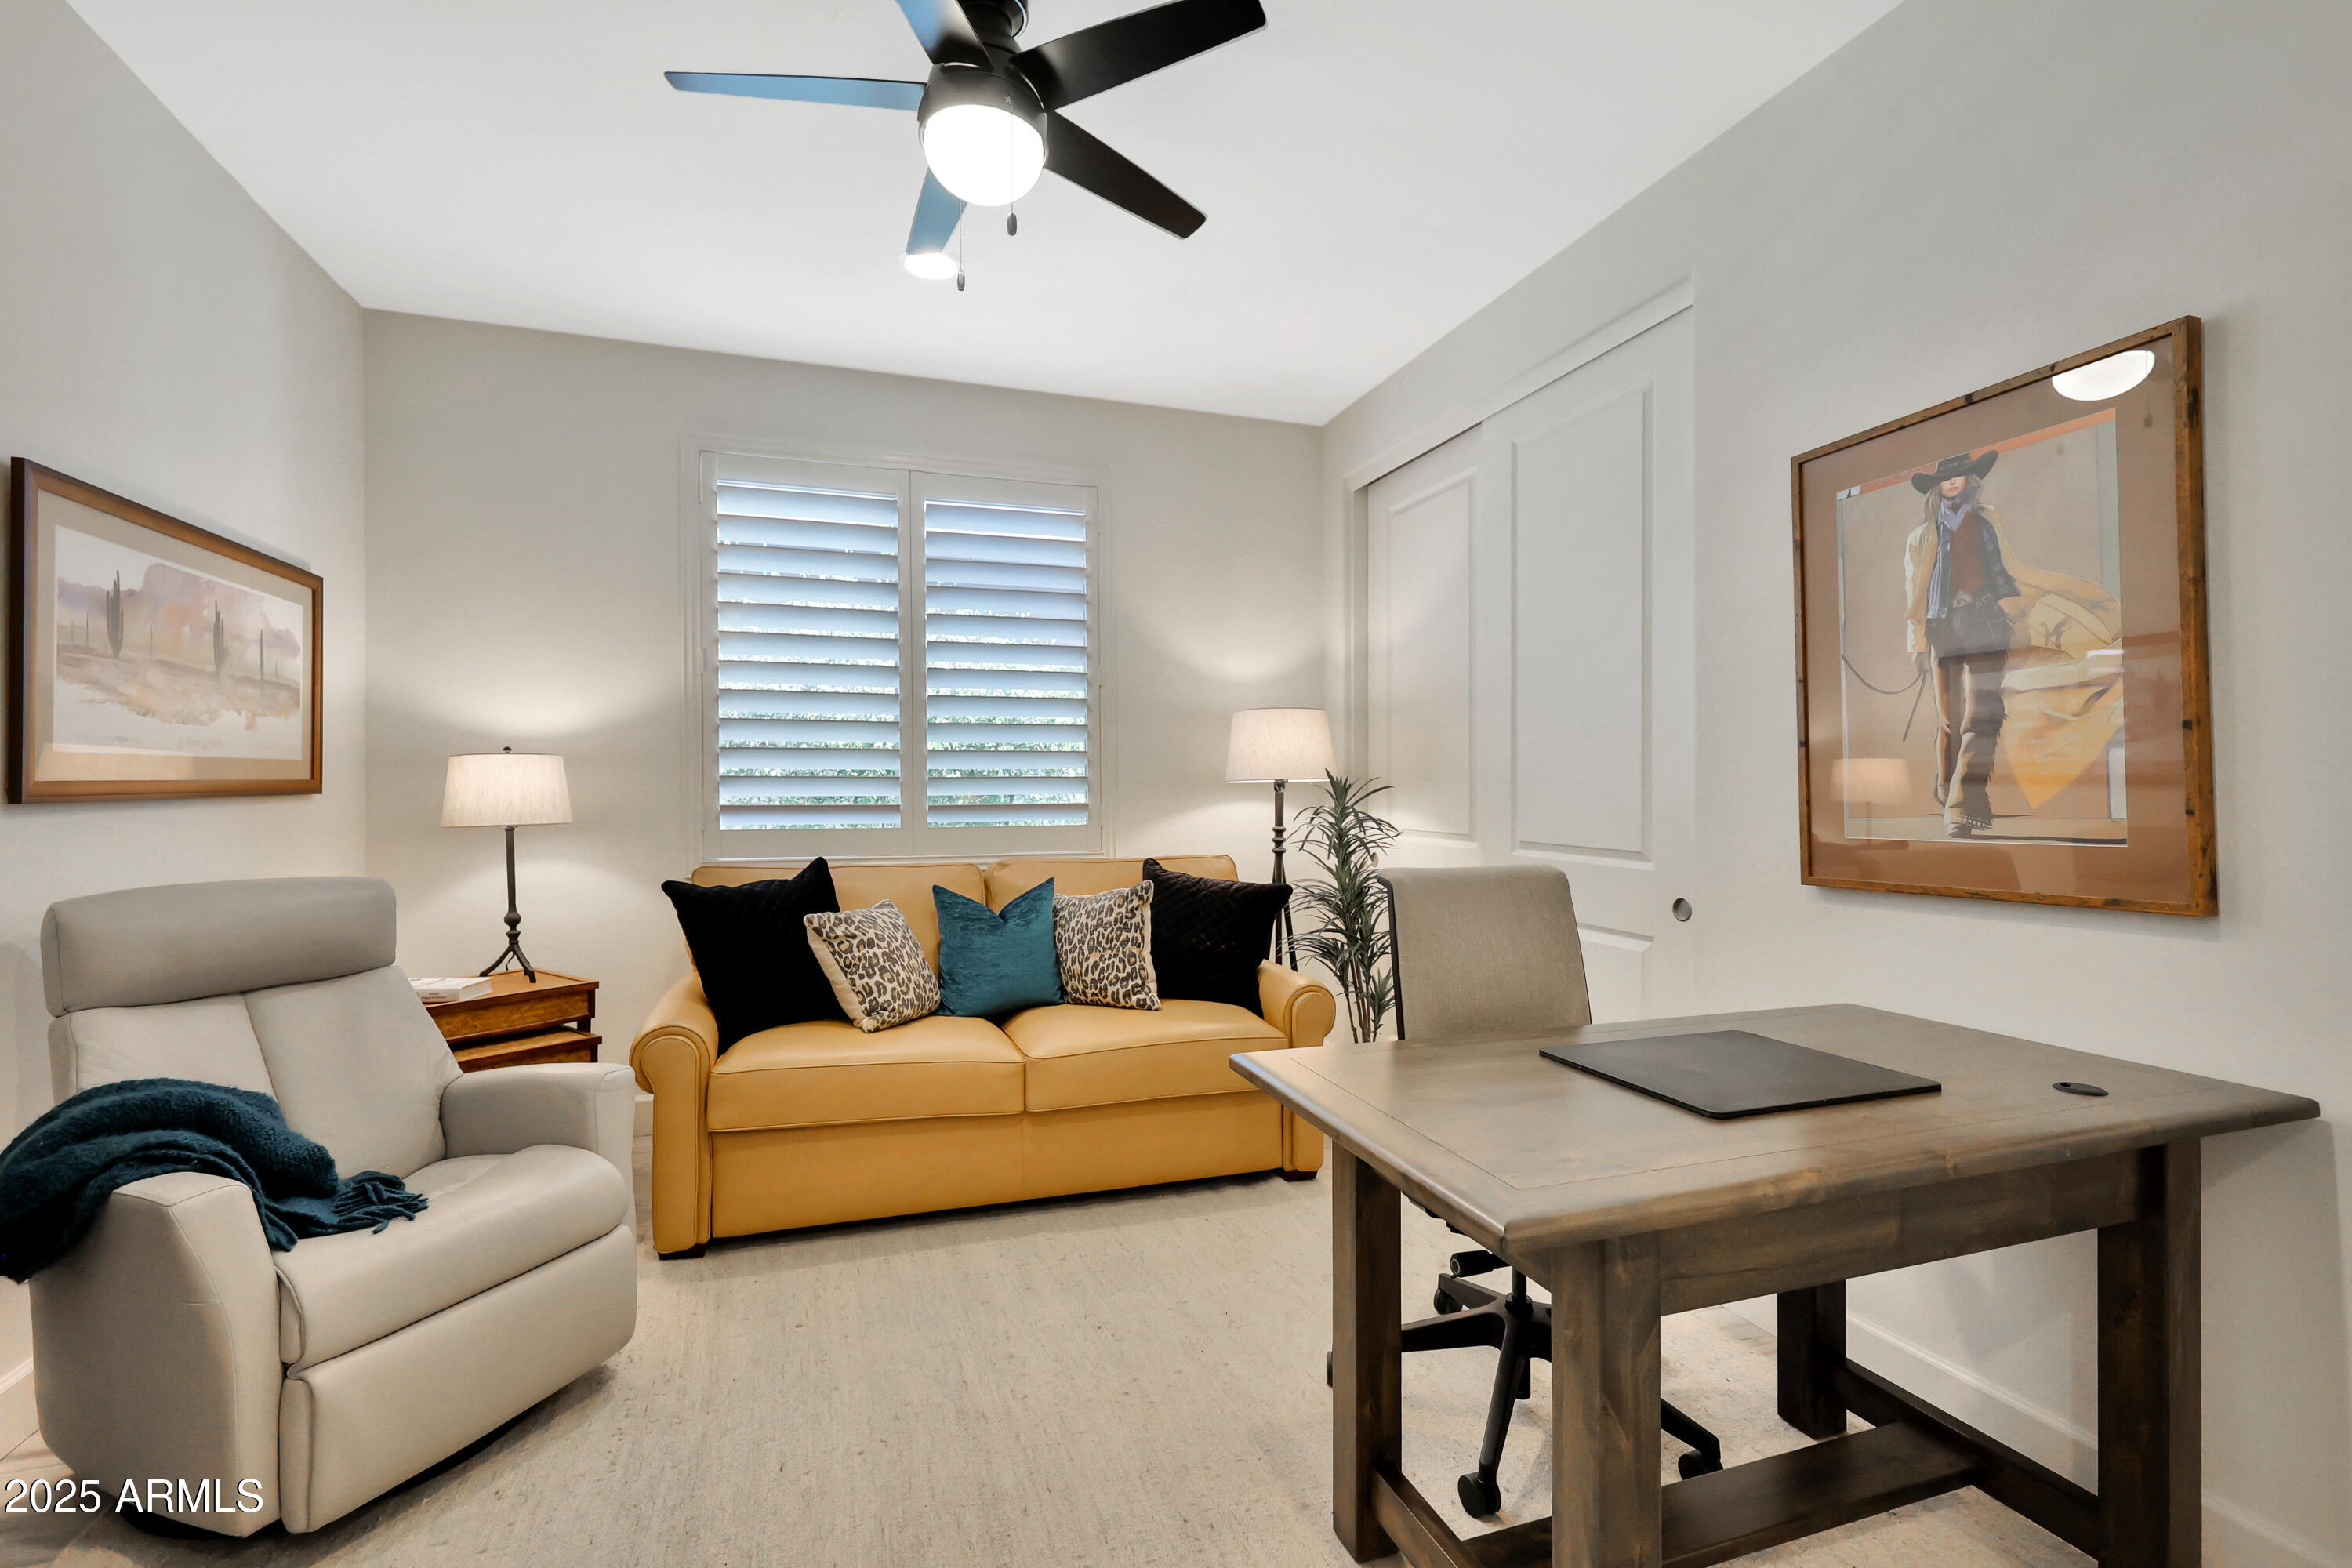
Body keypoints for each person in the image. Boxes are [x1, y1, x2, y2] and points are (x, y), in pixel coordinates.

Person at [1903, 449, 2020, 837]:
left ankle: (1962, 804)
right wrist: (1917, 643)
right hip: (1943, 627)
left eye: (1961, 474)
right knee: (1951, 721)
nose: (1954, 481)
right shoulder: (1923, 535)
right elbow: (1914, 595)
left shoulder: (1989, 521)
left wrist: (2024, 613)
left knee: (1984, 713)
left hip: (1987, 620)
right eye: (1947, 477)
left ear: (1971, 479)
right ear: (1937, 486)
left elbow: (2008, 568)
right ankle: (1946, 795)